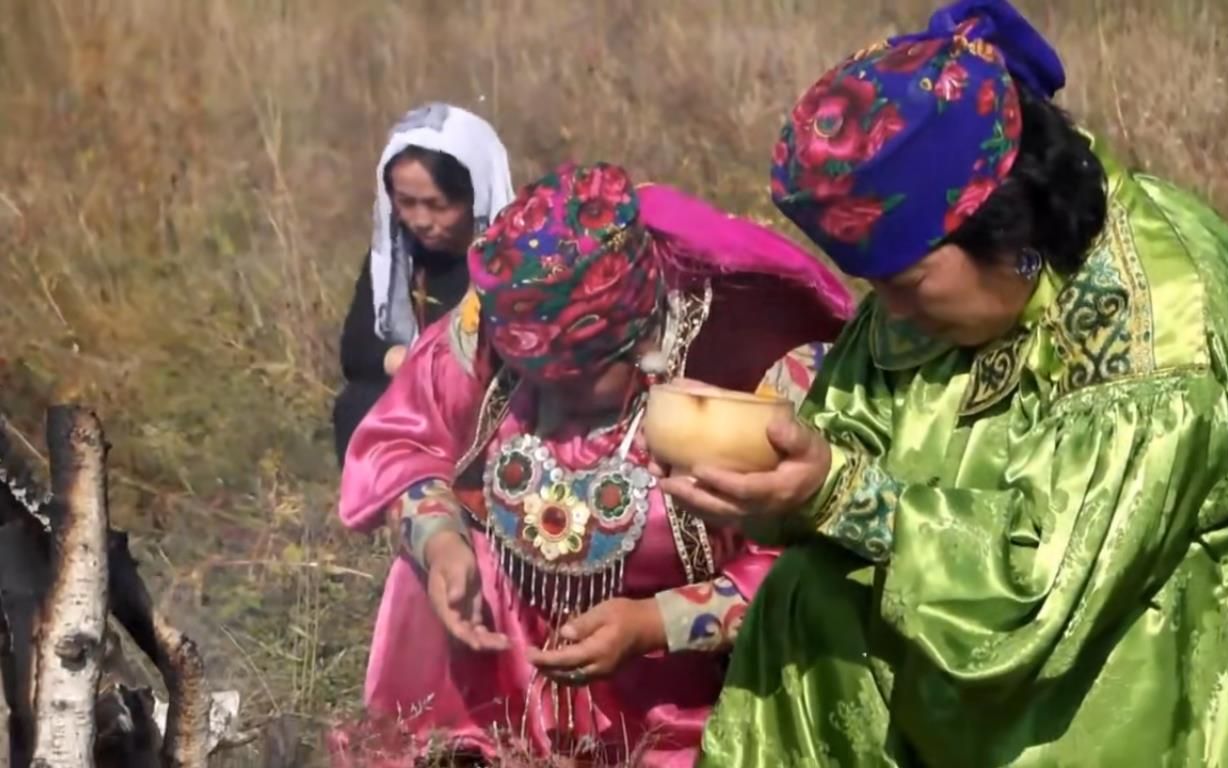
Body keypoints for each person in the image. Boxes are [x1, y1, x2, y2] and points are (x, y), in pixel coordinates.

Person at [661, 1, 1228, 765]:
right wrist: (780, 479)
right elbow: (848, 433)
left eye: (908, 282)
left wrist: (844, 497)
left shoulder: (1157, 334)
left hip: (1112, 648)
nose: (888, 312)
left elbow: (1044, 594)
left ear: (1008, 225)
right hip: (960, 623)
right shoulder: (931, 284)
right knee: (807, 594)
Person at [335, 162, 853, 766]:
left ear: (634, 335)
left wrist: (655, 623)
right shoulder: (495, 328)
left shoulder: (746, 368)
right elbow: (404, 442)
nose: (553, 398)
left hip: (683, 695)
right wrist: (441, 541)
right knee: (420, 572)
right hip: (505, 669)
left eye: (577, 378)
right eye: (534, 378)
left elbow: (805, 568)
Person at [332, 102, 514, 465]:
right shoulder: (399, 258)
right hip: (418, 400)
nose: (420, 220)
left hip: (494, 407)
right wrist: (417, 364)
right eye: (406, 203)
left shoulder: (514, 260)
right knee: (358, 402)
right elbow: (357, 349)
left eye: (437, 205)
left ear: (474, 197)